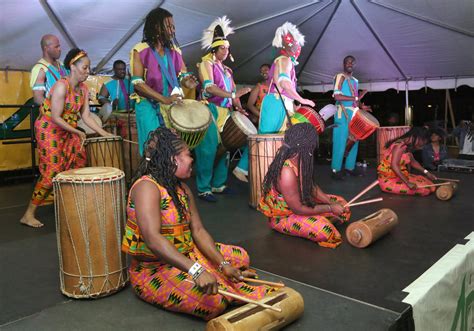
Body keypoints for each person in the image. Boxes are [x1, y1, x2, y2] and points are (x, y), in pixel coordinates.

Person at [121, 127, 270, 320]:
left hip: (188, 254)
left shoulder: (180, 187)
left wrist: (223, 264)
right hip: (153, 270)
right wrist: (196, 270)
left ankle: (216, 272)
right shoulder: (146, 187)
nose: (192, 160)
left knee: (240, 257)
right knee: (214, 302)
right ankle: (210, 275)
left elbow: (198, 231)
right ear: (173, 159)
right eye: (188, 155)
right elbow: (153, 239)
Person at [20, 49, 112, 228]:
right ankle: (28, 214)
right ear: (72, 66)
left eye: (89, 68)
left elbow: (85, 117)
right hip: (49, 128)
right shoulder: (62, 85)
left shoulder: (84, 89)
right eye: (85, 67)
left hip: (67, 129)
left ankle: (70, 205)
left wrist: (104, 133)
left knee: (78, 161)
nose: (87, 71)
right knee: (53, 169)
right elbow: (55, 117)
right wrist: (78, 132)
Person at [233, 22, 315, 182]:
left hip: (280, 102)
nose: (299, 47)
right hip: (276, 102)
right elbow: (284, 84)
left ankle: (268, 173)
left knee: (277, 138)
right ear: (291, 46)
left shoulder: (284, 60)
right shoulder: (285, 60)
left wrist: (294, 102)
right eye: (297, 44)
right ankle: (243, 169)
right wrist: (301, 99)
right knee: (265, 137)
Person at [258, 123, 351, 248]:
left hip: (302, 203)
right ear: (306, 145)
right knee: (326, 231)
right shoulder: (286, 172)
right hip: (284, 216)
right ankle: (322, 219)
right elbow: (298, 209)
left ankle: (323, 216)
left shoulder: (301, 158)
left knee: (342, 204)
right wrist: (329, 208)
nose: (314, 146)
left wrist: (330, 203)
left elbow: (311, 186)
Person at [195, 16, 251, 201]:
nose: (226, 51)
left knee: (225, 148)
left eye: (228, 48)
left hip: (226, 112)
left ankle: (218, 184)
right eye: (223, 48)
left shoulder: (228, 70)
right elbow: (209, 88)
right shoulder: (205, 64)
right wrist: (234, 95)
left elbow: (234, 91)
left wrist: (239, 107)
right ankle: (203, 188)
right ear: (214, 48)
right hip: (209, 110)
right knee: (208, 149)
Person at [130, 6, 197, 155]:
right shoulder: (140, 50)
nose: (172, 30)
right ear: (156, 27)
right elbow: (137, 84)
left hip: (169, 105)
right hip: (148, 106)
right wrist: (164, 99)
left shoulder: (175, 51)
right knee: (153, 149)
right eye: (168, 26)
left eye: (173, 27)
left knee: (171, 150)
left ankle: (167, 178)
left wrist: (187, 82)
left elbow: (181, 75)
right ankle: (150, 178)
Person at [331, 55, 368, 179]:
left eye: (352, 62)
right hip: (342, 112)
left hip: (354, 114)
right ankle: (335, 170)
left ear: (355, 65)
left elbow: (355, 101)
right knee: (340, 142)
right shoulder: (340, 77)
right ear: (343, 64)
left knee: (354, 140)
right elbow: (337, 97)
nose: (349, 64)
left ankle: (349, 168)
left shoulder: (355, 81)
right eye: (347, 62)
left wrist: (361, 106)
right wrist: (356, 98)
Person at [377, 127, 437, 196]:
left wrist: (427, 173)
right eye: (422, 142)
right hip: (388, 181)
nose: (422, 146)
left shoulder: (406, 145)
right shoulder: (400, 146)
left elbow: (413, 162)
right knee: (424, 190)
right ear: (417, 137)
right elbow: (394, 165)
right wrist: (407, 183)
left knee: (429, 184)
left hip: (399, 177)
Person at [30, 34, 68, 106]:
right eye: (56, 47)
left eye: (59, 46)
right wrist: (55, 110)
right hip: (52, 115)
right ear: (46, 48)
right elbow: (38, 98)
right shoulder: (40, 69)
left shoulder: (62, 66)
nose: (59, 49)